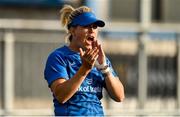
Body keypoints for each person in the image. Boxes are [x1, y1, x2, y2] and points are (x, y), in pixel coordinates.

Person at [44, 4, 125, 116]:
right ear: (72, 30)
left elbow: (119, 96)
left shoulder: (100, 59)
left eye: (95, 26)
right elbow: (61, 96)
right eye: (86, 26)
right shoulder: (58, 57)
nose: (92, 30)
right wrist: (85, 69)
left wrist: (104, 69)